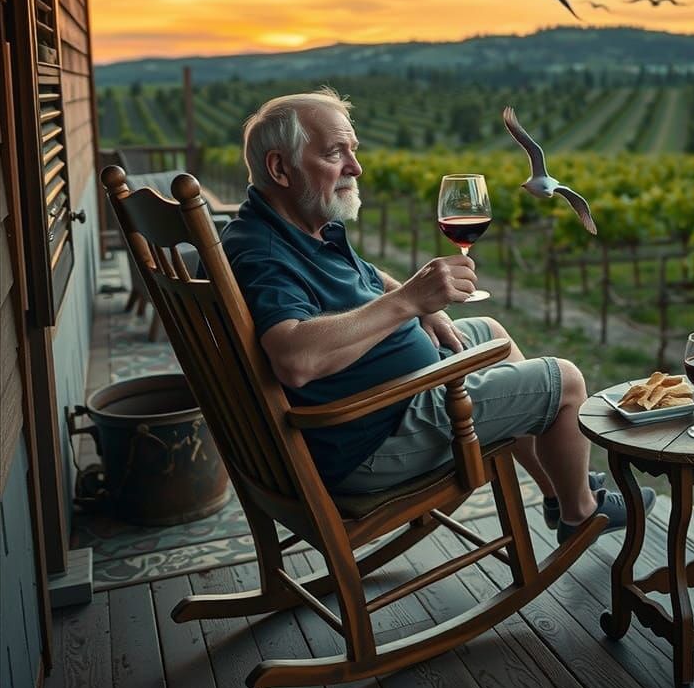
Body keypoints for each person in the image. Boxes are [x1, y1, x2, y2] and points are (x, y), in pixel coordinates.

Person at [222, 87, 654, 543]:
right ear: (278, 168)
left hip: (375, 406)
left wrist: (417, 305)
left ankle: (559, 495)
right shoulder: (264, 254)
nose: (356, 167)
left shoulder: (294, 225)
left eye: (354, 150)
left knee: (490, 333)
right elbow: (295, 358)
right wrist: (407, 303)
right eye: (335, 153)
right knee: (564, 380)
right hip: (364, 441)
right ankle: (580, 513)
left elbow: (364, 275)